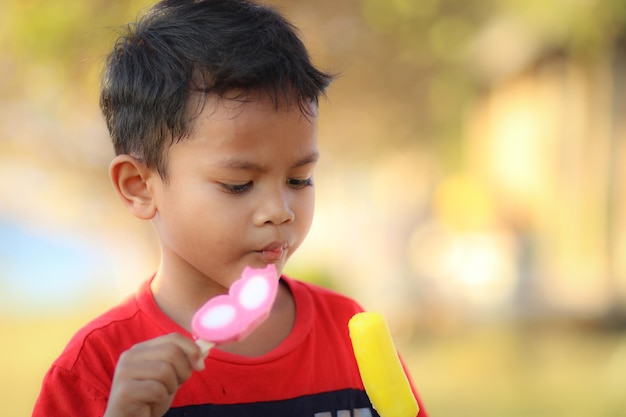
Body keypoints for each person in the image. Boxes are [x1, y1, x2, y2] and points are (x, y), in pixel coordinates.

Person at [33, 0, 429, 416]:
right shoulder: (96, 370)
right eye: (238, 185)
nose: (279, 210)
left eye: (299, 179)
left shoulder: (348, 334)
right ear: (140, 187)